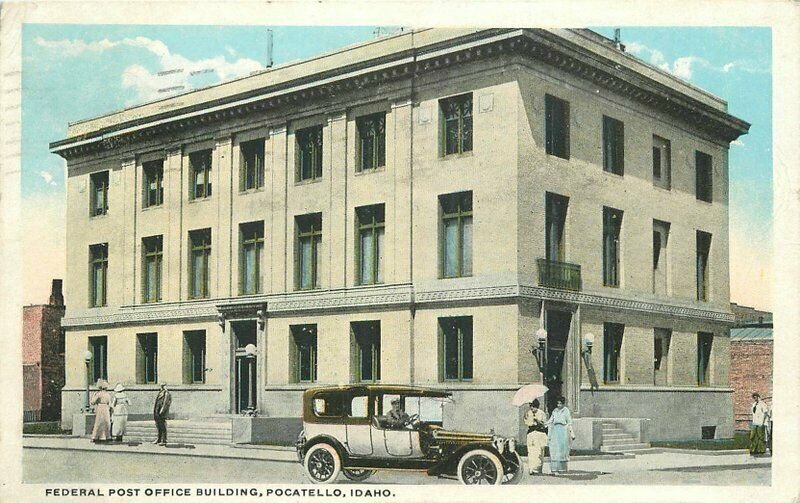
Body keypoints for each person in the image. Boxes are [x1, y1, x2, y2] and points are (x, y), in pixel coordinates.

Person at [546, 396, 574, 475]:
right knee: (555, 449)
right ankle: (554, 469)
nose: (559, 405)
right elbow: (551, 420)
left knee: (562, 449)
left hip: (563, 430)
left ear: (563, 404)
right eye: (557, 403)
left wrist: (572, 433)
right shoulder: (555, 411)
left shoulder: (566, 411)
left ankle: (562, 469)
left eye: (560, 403)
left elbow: (569, 422)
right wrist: (545, 423)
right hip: (555, 430)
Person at [523, 399, 548, 475]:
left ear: (537, 407)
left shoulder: (541, 413)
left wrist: (538, 421)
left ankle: (537, 469)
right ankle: (531, 469)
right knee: (531, 451)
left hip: (539, 433)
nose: (532, 408)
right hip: (531, 433)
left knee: (539, 452)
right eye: (531, 406)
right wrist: (530, 421)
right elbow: (526, 422)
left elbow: (545, 425)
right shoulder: (528, 413)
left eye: (533, 407)